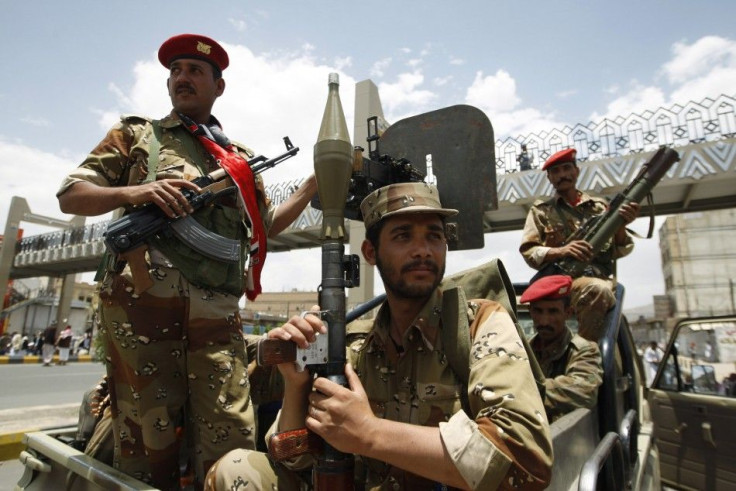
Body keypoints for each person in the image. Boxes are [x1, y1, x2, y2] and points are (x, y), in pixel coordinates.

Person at [56, 33, 317, 489]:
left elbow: (265, 225)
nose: (182, 77)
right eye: (175, 71)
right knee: (146, 435)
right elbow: (71, 195)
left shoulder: (238, 160)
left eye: (195, 70)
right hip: (143, 312)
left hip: (215, 313)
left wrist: (313, 185)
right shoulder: (139, 135)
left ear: (219, 86)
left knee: (230, 432)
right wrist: (137, 191)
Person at [206, 182, 553, 490]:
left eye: (434, 235)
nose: (423, 250)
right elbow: (293, 460)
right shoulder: (357, 344)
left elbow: (524, 462)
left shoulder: (478, 324)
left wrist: (369, 434)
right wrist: (296, 387)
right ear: (370, 253)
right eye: (403, 236)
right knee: (237, 469)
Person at [519, 147, 640, 341]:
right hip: (560, 284)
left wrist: (620, 224)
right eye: (555, 172)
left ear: (576, 171)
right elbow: (529, 252)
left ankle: (587, 357)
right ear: (549, 178)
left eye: (567, 168)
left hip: (596, 279)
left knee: (598, 290)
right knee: (596, 290)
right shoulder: (541, 211)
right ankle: (584, 357)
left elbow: (621, 250)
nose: (562, 175)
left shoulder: (600, 208)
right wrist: (561, 251)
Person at [521, 274, 602, 422]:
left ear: (568, 313)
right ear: (530, 312)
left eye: (553, 311)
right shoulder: (521, 350)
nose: (544, 321)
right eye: (538, 311)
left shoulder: (585, 350)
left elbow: (585, 389)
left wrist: (522, 391)